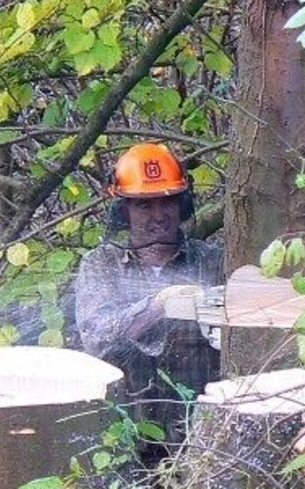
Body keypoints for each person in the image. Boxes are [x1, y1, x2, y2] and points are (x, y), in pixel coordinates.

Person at [73, 142, 222, 465]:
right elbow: (97, 338)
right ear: (123, 210)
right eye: (145, 205)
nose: (159, 215)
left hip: (202, 440)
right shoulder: (102, 266)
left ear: (182, 204)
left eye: (167, 202)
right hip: (127, 443)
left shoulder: (211, 261)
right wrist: (159, 304)